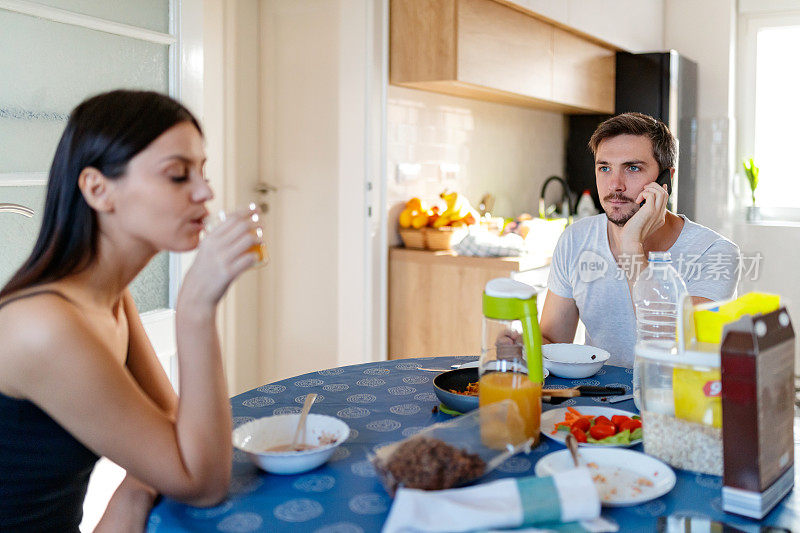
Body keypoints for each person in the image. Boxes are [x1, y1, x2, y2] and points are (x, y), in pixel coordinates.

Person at [0, 90, 262, 531]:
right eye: (178, 175)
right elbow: (203, 482)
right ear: (98, 189)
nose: (206, 191)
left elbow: (178, 431)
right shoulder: (44, 326)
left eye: (202, 171)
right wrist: (195, 308)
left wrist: (137, 487)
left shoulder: (110, 298)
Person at [539, 112, 740, 367]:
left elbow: (676, 351)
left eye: (632, 168)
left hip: (674, 400)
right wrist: (521, 348)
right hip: (597, 402)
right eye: (604, 168)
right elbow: (551, 341)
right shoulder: (575, 239)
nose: (615, 185)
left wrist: (633, 247)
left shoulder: (714, 253)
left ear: (666, 180)